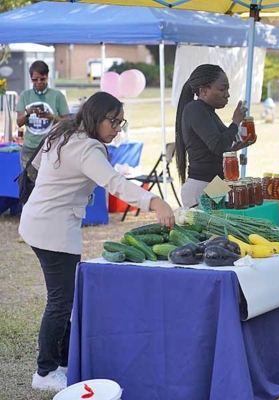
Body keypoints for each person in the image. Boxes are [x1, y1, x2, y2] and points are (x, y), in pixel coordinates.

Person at [19, 92, 175, 392]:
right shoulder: (88, 148)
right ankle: (44, 372)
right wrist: (155, 202)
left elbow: (37, 168)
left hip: (38, 221)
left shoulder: (64, 129)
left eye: (121, 122)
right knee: (60, 302)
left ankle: (64, 362)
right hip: (53, 230)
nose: (117, 128)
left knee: (64, 298)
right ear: (95, 117)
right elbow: (115, 183)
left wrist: (66, 188)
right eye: (112, 121)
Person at [175, 64, 255, 208]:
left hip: (216, 184)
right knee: (209, 229)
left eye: (228, 89)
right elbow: (218, 146)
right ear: (204, 91)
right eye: (222, 89)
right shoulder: (195, 109)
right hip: (201, 187)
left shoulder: (207, 111)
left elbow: (219, 146)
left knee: (221, 228)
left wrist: (235, 147)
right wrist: (236, 121)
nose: (227, 94)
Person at [16, 61, 70, 182]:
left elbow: (68, 124)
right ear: (31, 79)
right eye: (35, 80)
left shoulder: (57, 96)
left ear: (47, 77)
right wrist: (28, 113)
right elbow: (19, 122)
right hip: (29, 149)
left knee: (49, 184)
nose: (39, 82)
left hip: (50, 147)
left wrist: (52, 117)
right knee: (29, 185)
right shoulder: (25, 95)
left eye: (42, 79)